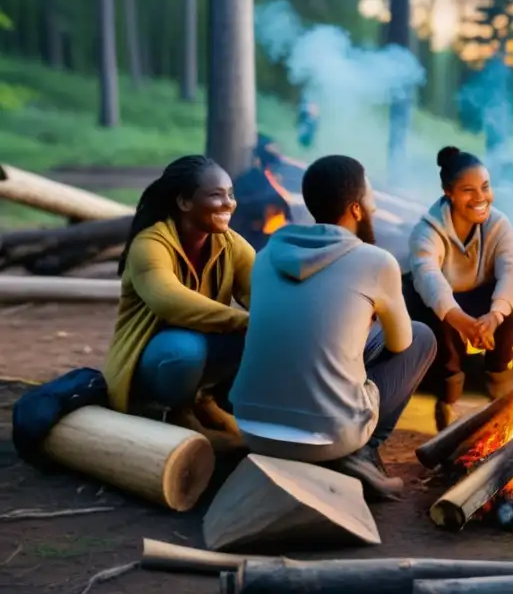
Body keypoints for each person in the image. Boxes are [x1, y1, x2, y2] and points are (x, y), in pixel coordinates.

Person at [229, 155, 436, 500]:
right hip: (330, 436)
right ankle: (362, 452)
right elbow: (401, 344)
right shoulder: (376, 262)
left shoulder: (266, 255)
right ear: (356, 209)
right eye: (370, 197)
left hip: (252, 429)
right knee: (422, 338)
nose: (374, 204)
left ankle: (339, 437)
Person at [103, 155, 253, 442]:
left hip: (198, 358)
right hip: (151, 364)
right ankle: (176, 413)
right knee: (183, 349)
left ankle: (203, 402)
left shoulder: (232, 245)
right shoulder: (149, 244)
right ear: (184, 202)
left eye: (230, 195)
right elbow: (169, 301)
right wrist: (244, 320)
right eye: (216, 195)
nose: (229, 204)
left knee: (266, 335)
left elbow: (263, 293)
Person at [406, 146, 513, 431]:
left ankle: (501, 395)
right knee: (432, 315)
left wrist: (495, 315)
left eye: (485, 187)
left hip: (484, 299)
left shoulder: (498, 225)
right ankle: (448, 400)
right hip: (443, 305)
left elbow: (512, 270)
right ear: (449, 192)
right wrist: (461, 321)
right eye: (468, 190)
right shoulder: (427, 230)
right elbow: (428, 277)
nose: (480, 198)